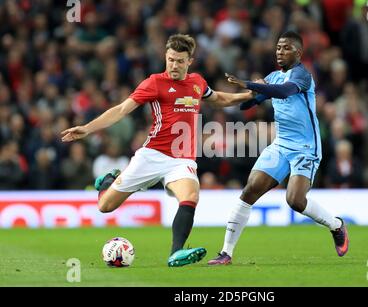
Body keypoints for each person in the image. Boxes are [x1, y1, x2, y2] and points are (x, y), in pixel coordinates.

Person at [61, 34, 254, 267]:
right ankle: (107, 181)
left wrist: (249, 95)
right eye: (171, 59)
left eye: (180, 61)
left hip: (181, 160)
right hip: (152, 155)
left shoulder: (197, 82)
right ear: (165, 56)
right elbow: (122, 109)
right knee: (105, 206)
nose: (174, 65)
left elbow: (219, 98)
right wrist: (88, 128)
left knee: (191, 196)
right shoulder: (154, 82)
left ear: (189, 62)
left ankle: (176, 253)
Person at [208, 31, 349, 266]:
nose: (280, 51)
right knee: (250, 189)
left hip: (306, 147)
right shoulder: (272, 77)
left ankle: (336, 225)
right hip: (281, 144)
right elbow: (251, 103)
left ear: (298, 52)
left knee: (294, 200)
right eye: (278, 48)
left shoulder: (303, 76)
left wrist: (250, 84)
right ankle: (226, 253)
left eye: (285, 48)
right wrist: (244, 97)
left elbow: (283, 92)